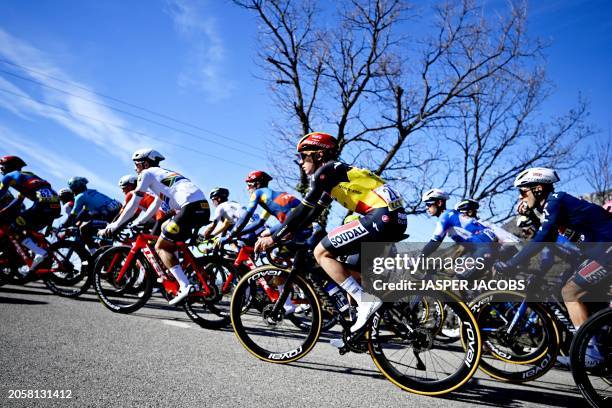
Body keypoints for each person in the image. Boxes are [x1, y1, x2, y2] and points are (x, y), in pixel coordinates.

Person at [255, 132, 407, 333]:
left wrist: (275, 238)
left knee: (321, 252)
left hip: (380, 216)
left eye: (303, 156)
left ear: (318, 155)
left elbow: (302, 209)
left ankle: (365, 302)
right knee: (347, 271)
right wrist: (289, 232)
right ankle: (358, 333)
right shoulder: (335, 176)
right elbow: (313, 212)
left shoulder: (325, 172)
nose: (300, 162)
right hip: (394, 219)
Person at [493, 168, 612, 330]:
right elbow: (549, 236)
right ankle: (597, 342)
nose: (520, 197)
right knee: (588, 299)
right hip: (600, 252)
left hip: (606, 251)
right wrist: (531, 215)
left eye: (522, 191)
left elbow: (544, 236)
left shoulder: (556, 200)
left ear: (538, 189)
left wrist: (512, 264)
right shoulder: (555, 204)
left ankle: (589, 353)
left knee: (570, 292)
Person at [101, 148, 210, 305]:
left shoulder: (147, 174)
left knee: (161, 246)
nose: (135, 168)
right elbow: (156, 206)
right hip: (203, 208)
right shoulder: (165, 175)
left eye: (137, 164)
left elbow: (134, 203)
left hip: (189, 208)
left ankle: (185, 285)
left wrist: (115, 225)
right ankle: (184, 274)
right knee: (168, 234)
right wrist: (139, 222)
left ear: (145, 163)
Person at [0, 156, 61, 271]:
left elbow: (1, 194)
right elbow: (18, 201)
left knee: (14, 227)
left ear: (7, 166)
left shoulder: (9, 176)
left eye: (2, 166)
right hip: (55, 206)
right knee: (27, 228)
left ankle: (39, 252)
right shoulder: (27, 176)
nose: (1, 169)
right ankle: (37, 254)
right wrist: (4, 211)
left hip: (41, 205)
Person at [421, 190, 497, 259]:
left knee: (460, 274)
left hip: (483, 248)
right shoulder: (453, 214)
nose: (427, 208)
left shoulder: (445, 217)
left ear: (439, 203)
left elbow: (434, 243)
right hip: (490, 244)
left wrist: (420, 258)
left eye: (428, 204)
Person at [62, 176, 122, 250]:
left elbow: (72, 215)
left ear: (74, 188)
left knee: (83, 229)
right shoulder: (93, 192)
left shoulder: (80, 197)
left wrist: (63, 226)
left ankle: (93, 253)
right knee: (104, 245)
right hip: (117, 214)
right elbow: (85, 211)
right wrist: (78, 219)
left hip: (110, 219)